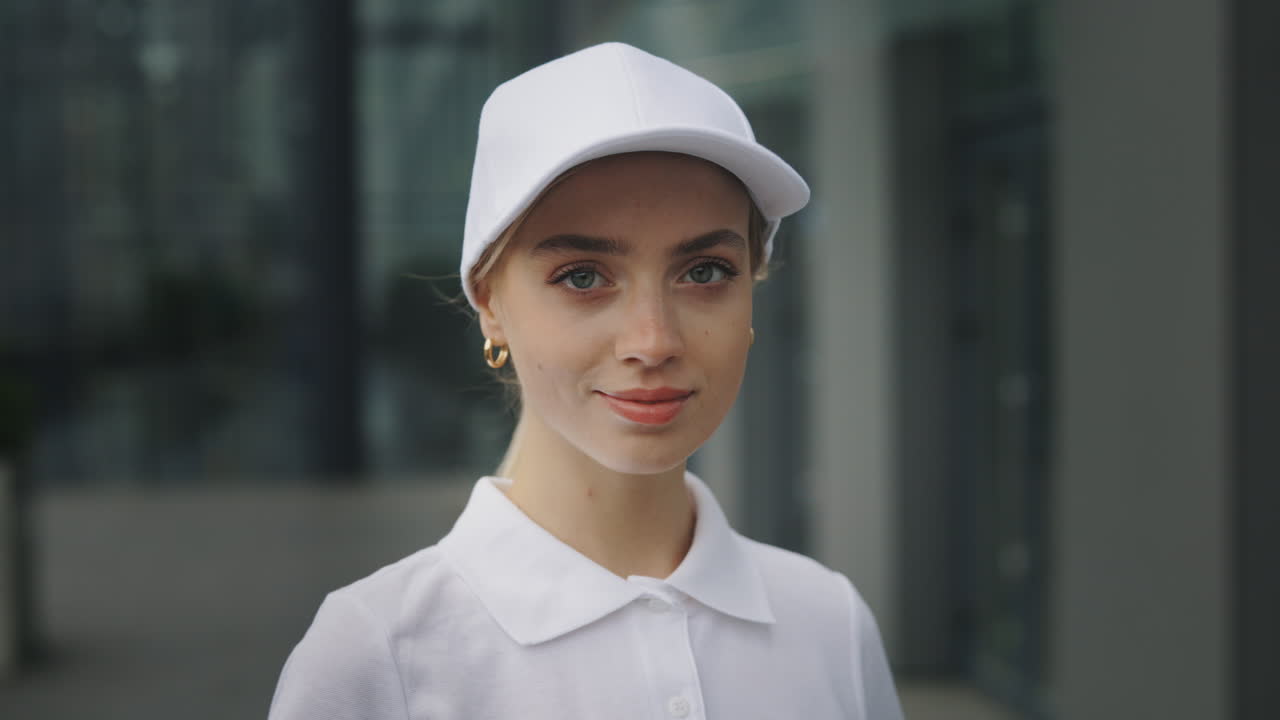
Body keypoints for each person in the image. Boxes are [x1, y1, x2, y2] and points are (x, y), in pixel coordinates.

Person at [268, 42, 903, 720]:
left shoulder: (828, 621)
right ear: (490, 301)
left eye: (706, 272)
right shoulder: (379, 655)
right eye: (582, 277)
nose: (653, 341)